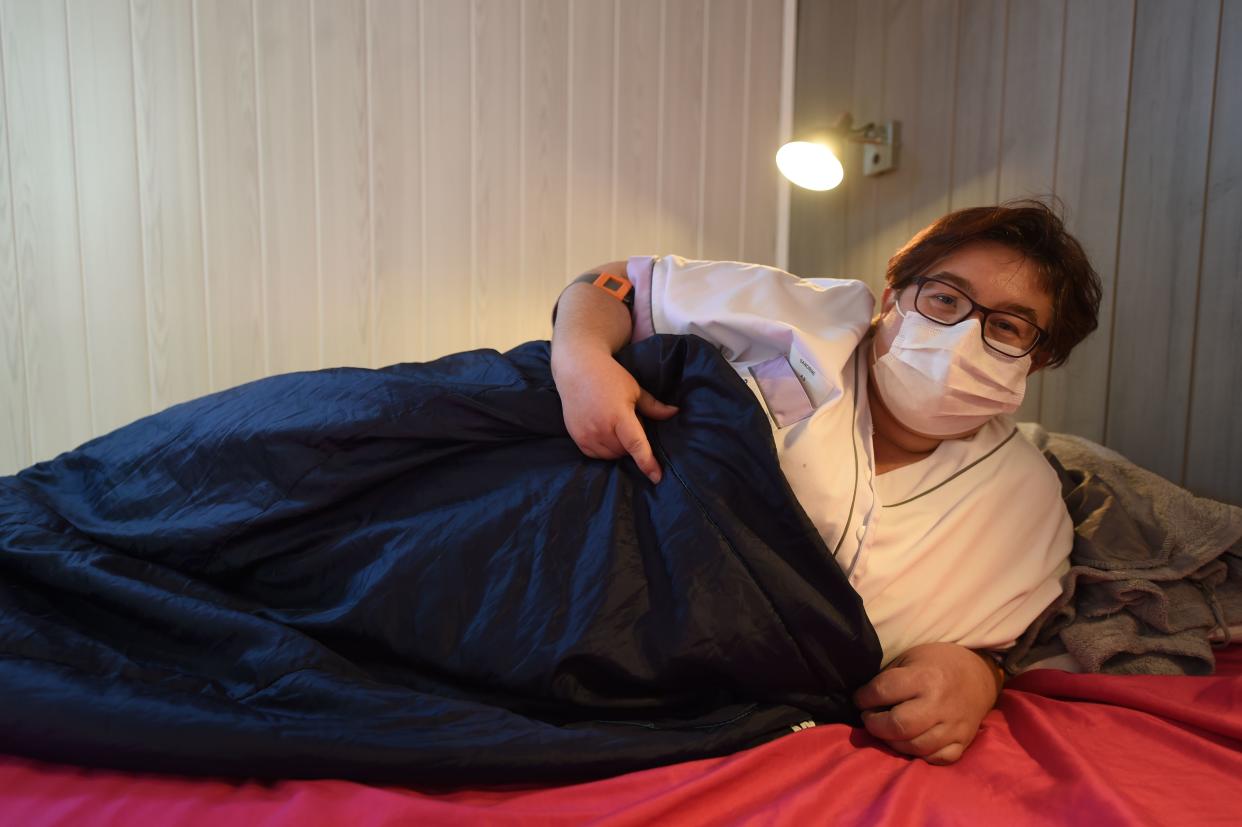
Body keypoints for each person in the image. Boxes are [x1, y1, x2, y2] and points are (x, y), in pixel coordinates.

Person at [549, 200, 1103, 766]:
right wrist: (581, 360)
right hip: (582, 586)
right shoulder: (803, 319)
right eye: (944, 298)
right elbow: (612, 285)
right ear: (892, 300)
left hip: (739, 708)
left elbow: (997, 646)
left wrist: (978, 676)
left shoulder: (1025, 504)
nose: (961, 334)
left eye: (1008, 326)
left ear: (1034, 363)